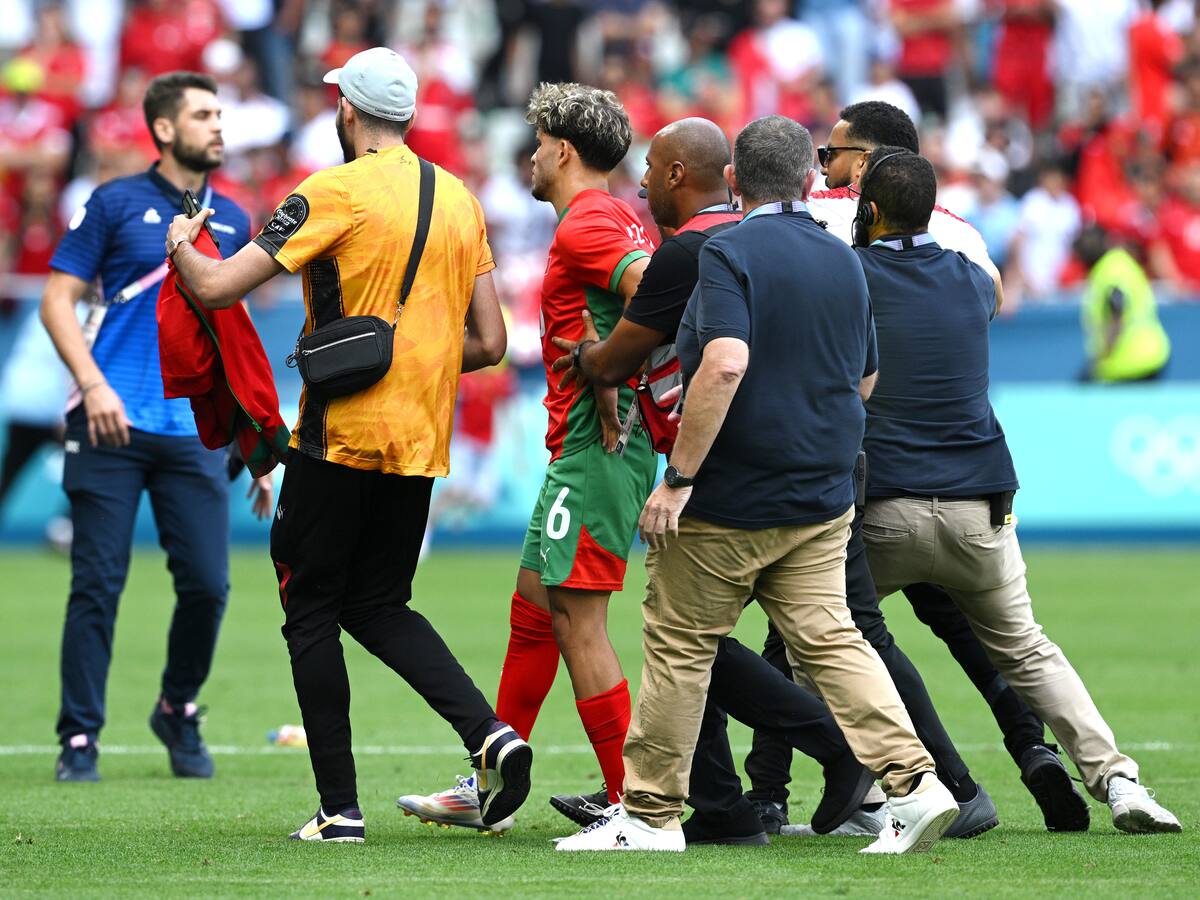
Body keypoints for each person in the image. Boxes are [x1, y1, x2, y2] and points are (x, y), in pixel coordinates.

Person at [552, 115, 998, 843]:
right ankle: (915, 785)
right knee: (835, 641)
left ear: (734, 180)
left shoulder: (726, 251)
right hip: (823, 495)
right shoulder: (844, 256)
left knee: (680, 642)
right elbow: (866, 376)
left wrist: (680, 477)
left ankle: (651, 815)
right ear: (809, 181)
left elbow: (725, 362)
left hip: (732, 497)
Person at [162, 47, 528, 844]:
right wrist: (414, 363)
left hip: (337, 436)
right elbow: (491, 341)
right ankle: (491, 735)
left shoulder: (330, 190)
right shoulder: (460, 198)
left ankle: (340, 811)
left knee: (310, 608)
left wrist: (182, 243)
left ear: (348, 110)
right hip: (420, 440)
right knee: (381, 604)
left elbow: (218, 288)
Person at [744, 99, 1088, 838]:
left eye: (833, 154)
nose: (822, 169)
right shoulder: (957, 230)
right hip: (960, 472)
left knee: (807, 622)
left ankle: (780, 790)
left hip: (870, 472)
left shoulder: (824, 221)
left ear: (866, 166)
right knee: (976, 632)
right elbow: (990, 298)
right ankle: (1033, 748)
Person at [853, 147, 1182, 836]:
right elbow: (991, 285)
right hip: (980, 510)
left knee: (814, 643)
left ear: (871, 210)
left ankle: (895, 790)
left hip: (886, 510)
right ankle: (1120, 782)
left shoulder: (851, 277)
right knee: (1029, 651)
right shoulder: (971, 279)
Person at [395, 81, 658, 832]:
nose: (532, 159)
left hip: (597, 449)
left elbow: (658, 297)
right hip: (583, 448)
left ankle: (635, 806)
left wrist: (607, 371)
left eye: (540, 146)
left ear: (564, 151)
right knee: (534, 607)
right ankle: (489, 785)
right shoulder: (615, 215)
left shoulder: (590, 222)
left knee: (578, 621)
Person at [40, 71, 267, 784]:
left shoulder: (235, 217)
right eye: (203, 115)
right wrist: (93, 387)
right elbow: (56, 300)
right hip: (108, 423)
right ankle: (79, 736)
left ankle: (177, 707)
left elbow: (235, 338)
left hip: (191, 432)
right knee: (97, 583)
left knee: (207, 586)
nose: (218, 125)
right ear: (164, 130)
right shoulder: (112, 203)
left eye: (220, 114)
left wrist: (254, 442)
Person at [1075, 226, 1171, 382]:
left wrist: (1104, 354)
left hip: (1132, 361)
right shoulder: (1119, 263)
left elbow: (1117, 310)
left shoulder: (1111, 268)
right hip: (1149, 354)